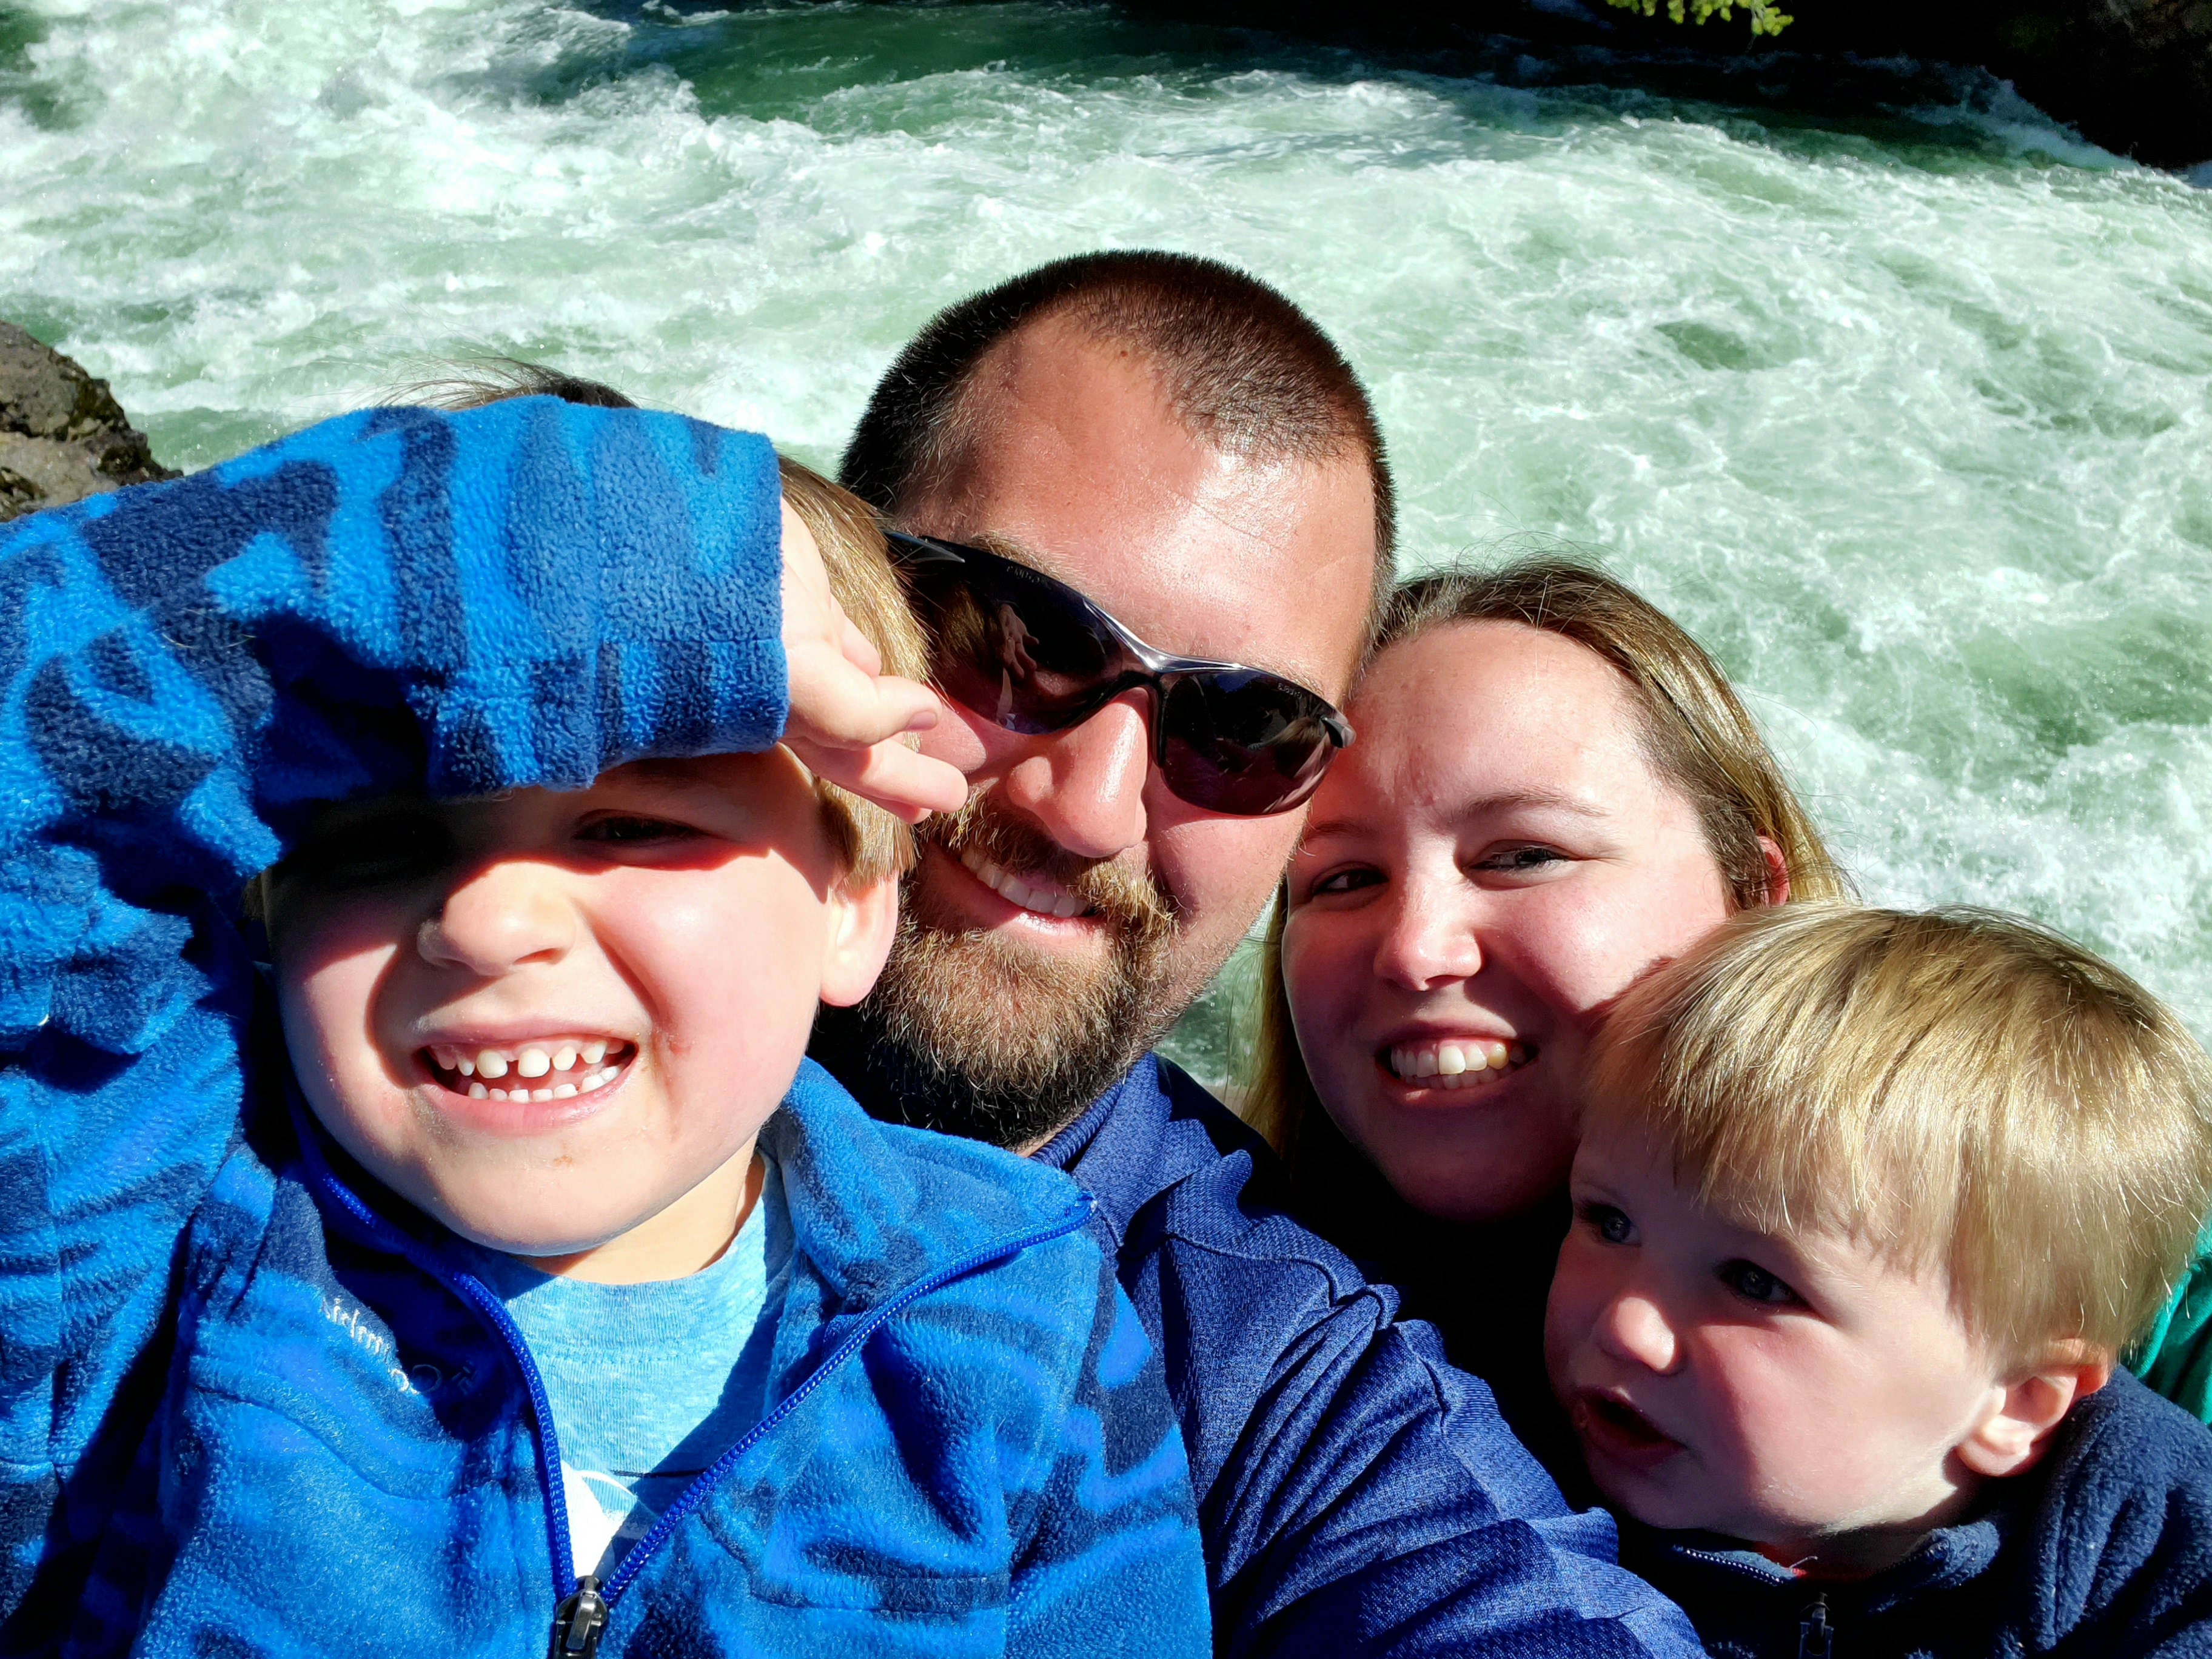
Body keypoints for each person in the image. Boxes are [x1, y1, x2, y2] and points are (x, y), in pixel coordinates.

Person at [0, 390, 1214, 1657]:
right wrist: (568, 548)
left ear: (854, 903)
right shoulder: (140, 1222)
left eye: (632, 826)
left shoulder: (1014, 1316)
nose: (486, 921)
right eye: (379, 841)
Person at [816, 251, 1706, 1654]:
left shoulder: (1285, 1373)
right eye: (1008, 636)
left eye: (1240, 728)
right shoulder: (424, 943)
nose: (1090, 803)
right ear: (824, 576)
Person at [1245, 558, 1847, 1483]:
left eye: (1524, 854)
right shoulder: (1194, 1289)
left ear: (1753, 903)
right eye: (1344, 879)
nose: (1415, 949)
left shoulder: (2006, 1290)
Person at [1550, 902, 2212, 1655]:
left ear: (2017, 1401)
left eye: (1755, 1281)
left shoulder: (2162, 1571)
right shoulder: (1492, 1445)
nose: (1624, 1325)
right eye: (1610, 1223)